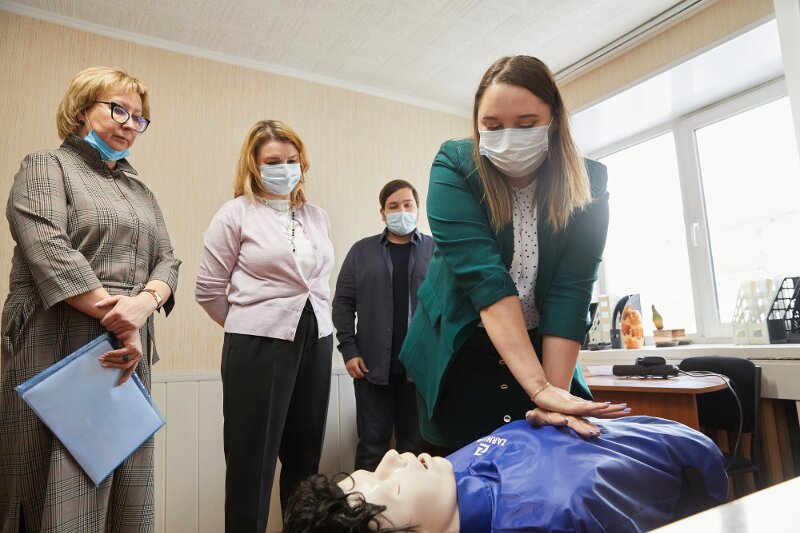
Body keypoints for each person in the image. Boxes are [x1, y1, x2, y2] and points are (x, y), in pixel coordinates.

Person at [399, 55, 627, 454]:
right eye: (492, 126)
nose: (508, 138)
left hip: (542, 349)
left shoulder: (588, 182)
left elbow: (570, 291)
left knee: (549, 454)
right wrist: (539, 388)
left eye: (525, 124)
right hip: (460, 348)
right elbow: (485, 279)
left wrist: (553, 394)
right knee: (460, 468)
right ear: (476, 126)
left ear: (553, 120)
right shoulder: (455, 166)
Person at [1, 66, 181, 532]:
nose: (130, 123)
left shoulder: (140, 190)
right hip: (56, 343)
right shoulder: (47, 165)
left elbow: (168, 261)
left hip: (126, 349)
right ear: (82, 109)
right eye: (119, 110)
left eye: (138, 117)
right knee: (53, 485)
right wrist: (122, 318)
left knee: (125, 483)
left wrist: (143, 305)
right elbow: (49, 249)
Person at [195, 119, 335, 532]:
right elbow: (208, 289)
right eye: (274, 161)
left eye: (292, 160)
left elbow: (319, 283)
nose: (285, 168)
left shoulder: (317, 216)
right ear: (254, 166)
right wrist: (250, 324)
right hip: (256, 343)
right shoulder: (235, 213)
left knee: (305, 458)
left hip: (317, 340)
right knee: (251, 462)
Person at [283, 414, 728, 532]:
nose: (395, 456)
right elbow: (697, 460)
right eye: (391, 487)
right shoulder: (562, 515)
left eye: (371, 468)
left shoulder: (445, 474)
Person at [332, 180, 435, 471]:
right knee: (371, 449)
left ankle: (413, 504)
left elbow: (451, 305)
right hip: (371, 370)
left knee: (416, 451)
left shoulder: (436, 250)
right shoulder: (361, 252)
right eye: (393, 206)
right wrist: (349, 349)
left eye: (407, 204)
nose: (401, 211)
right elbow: (343, 303)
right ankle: (364, 503)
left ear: (417, 208)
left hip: (421, 372)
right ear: (382, 212)